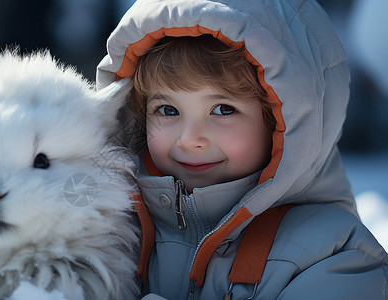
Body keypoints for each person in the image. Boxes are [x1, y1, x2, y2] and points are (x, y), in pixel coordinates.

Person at [96, 0, 388, 299]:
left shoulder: (333, 256)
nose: (189, 138)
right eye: (167, 109)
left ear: (281, 122)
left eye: (223, 109)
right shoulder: (107, 231)